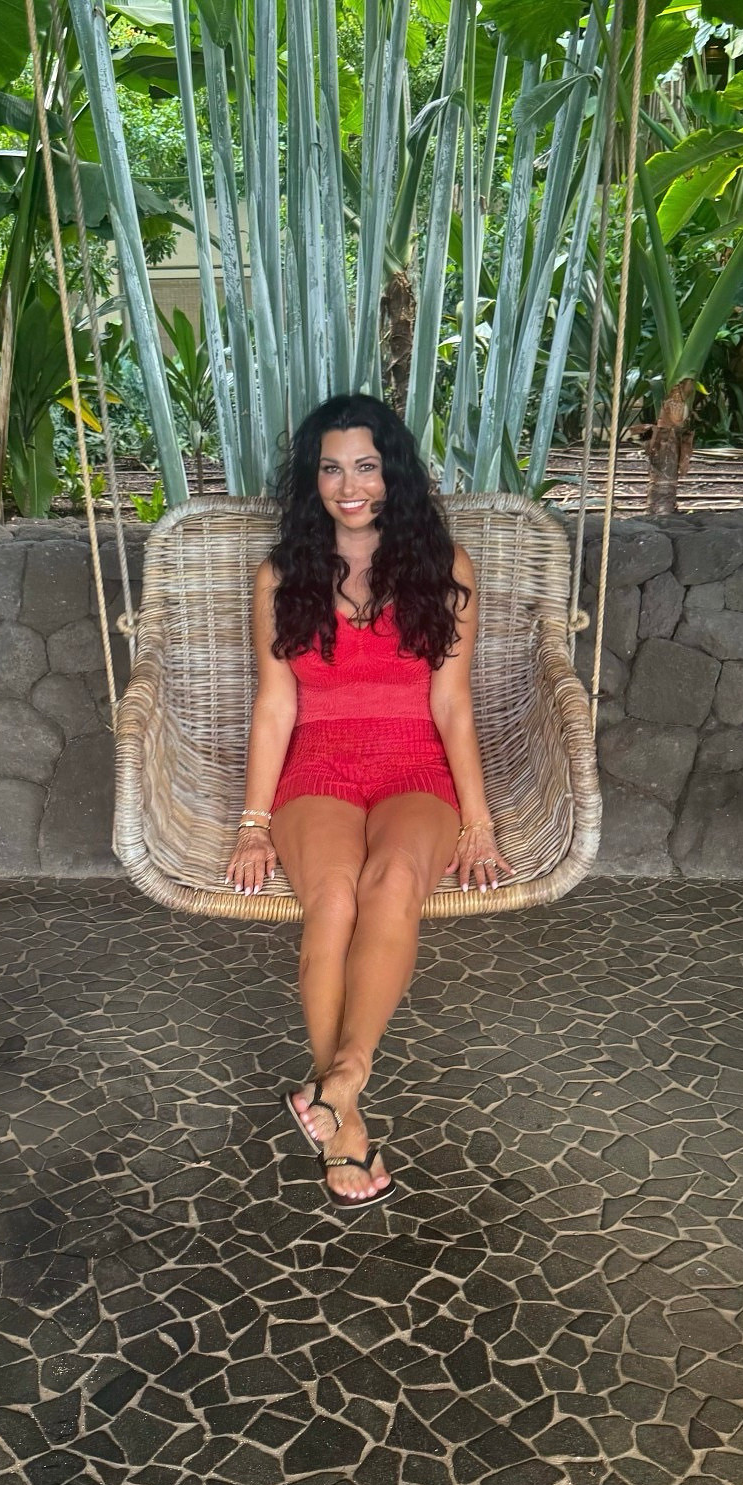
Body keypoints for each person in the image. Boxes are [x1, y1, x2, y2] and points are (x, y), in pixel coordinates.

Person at [224, 392, 514, 1211]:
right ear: (309, 479)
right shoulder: (281, 576)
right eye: (330, 468)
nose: (348, 485)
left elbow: (452, 705)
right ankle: (345, 1112)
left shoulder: (443, 566)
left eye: (365, 466)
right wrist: (253, 825)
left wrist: (481, 820)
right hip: (316, 768)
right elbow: (276, 706)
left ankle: (339, 1083)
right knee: (336, 893)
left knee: (393, 881)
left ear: (393, 473)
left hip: (415, 768)